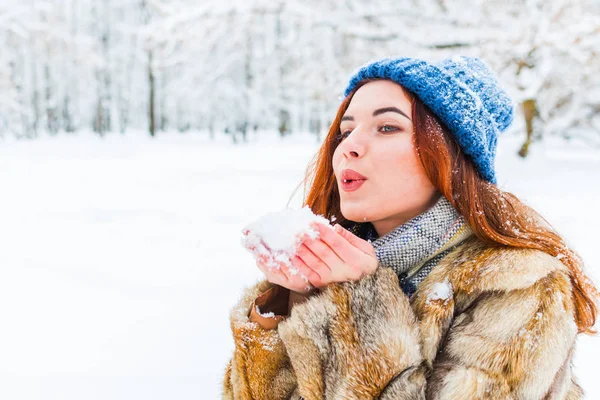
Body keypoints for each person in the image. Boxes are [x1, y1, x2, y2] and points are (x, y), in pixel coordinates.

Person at [221, 56, 598, 399]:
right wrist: (280, 303)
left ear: (448, 157)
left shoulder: (519, 285)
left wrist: (361, 301)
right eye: (345, 130)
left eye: (386, 127)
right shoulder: (331, 268)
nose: (349, 146)